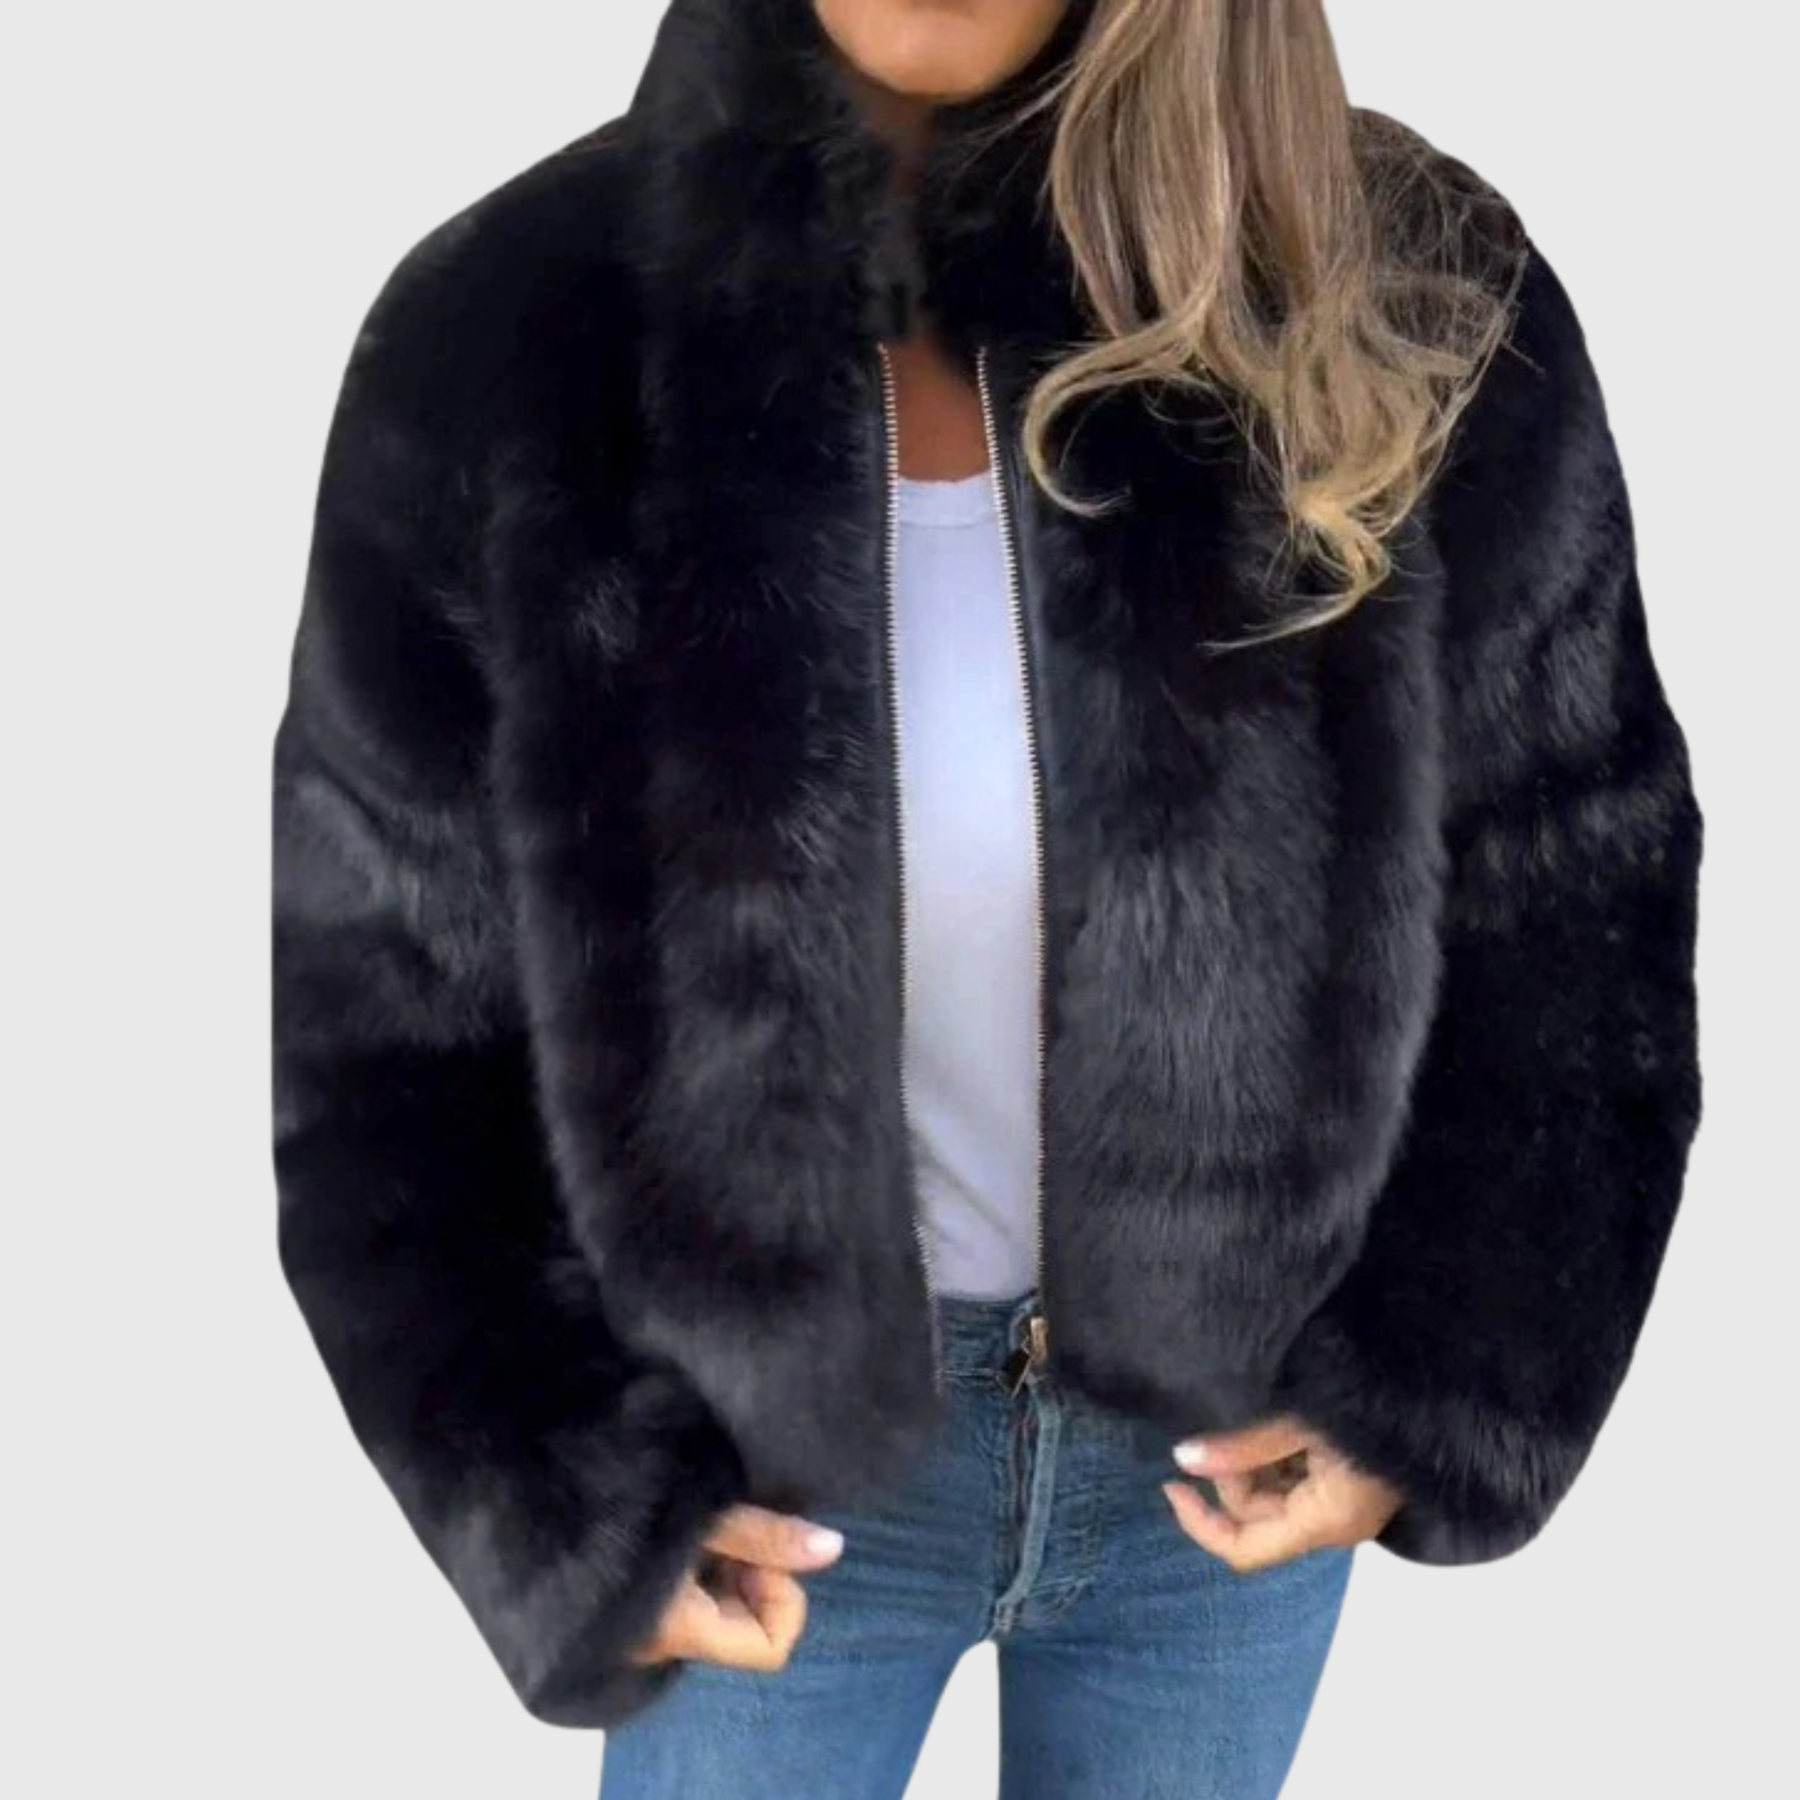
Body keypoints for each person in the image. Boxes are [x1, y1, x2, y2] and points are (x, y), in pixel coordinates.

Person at [269, 1, 1704, 1795]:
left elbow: (1575, 886)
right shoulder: (510, 335)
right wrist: (565, 1490)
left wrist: (1445, 1373)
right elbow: (386, 1019)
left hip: (1224, 1485)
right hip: (760, 1494)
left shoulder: (1404, 289)